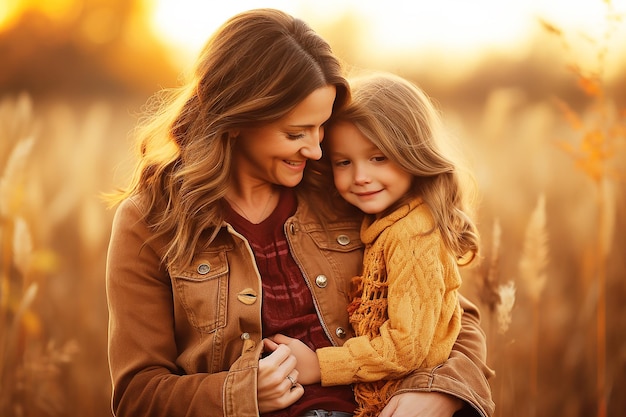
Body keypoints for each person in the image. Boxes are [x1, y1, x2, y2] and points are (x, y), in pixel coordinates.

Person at [105, 8, 495, 417]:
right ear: (235, 119)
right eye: (296, 133)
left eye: (321, 127)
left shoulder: (344, 189)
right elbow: (138, 395)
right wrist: (240, 394)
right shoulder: (150, 221)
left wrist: (437, 393)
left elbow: (452, 316)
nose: (315, 150)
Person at [270, 72, 480, 417]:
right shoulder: (385, 223)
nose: (361, 176)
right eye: (344, 162)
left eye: (378, 157)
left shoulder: (413, 235)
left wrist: (319, 365)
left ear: (413, 153)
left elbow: (405, 348)